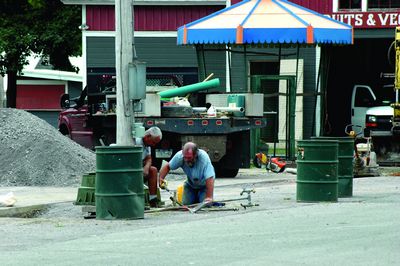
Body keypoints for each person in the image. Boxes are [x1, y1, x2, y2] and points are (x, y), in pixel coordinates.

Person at [136, 126, 162, 207]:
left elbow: (149, 158)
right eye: (153, 142)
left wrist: (146, 167)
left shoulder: (147, 145)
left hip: (140, 166)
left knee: (153, 170)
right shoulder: (137, 141)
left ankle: (152, 199)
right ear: (147, 137)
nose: (153, 145)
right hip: (132, 167)